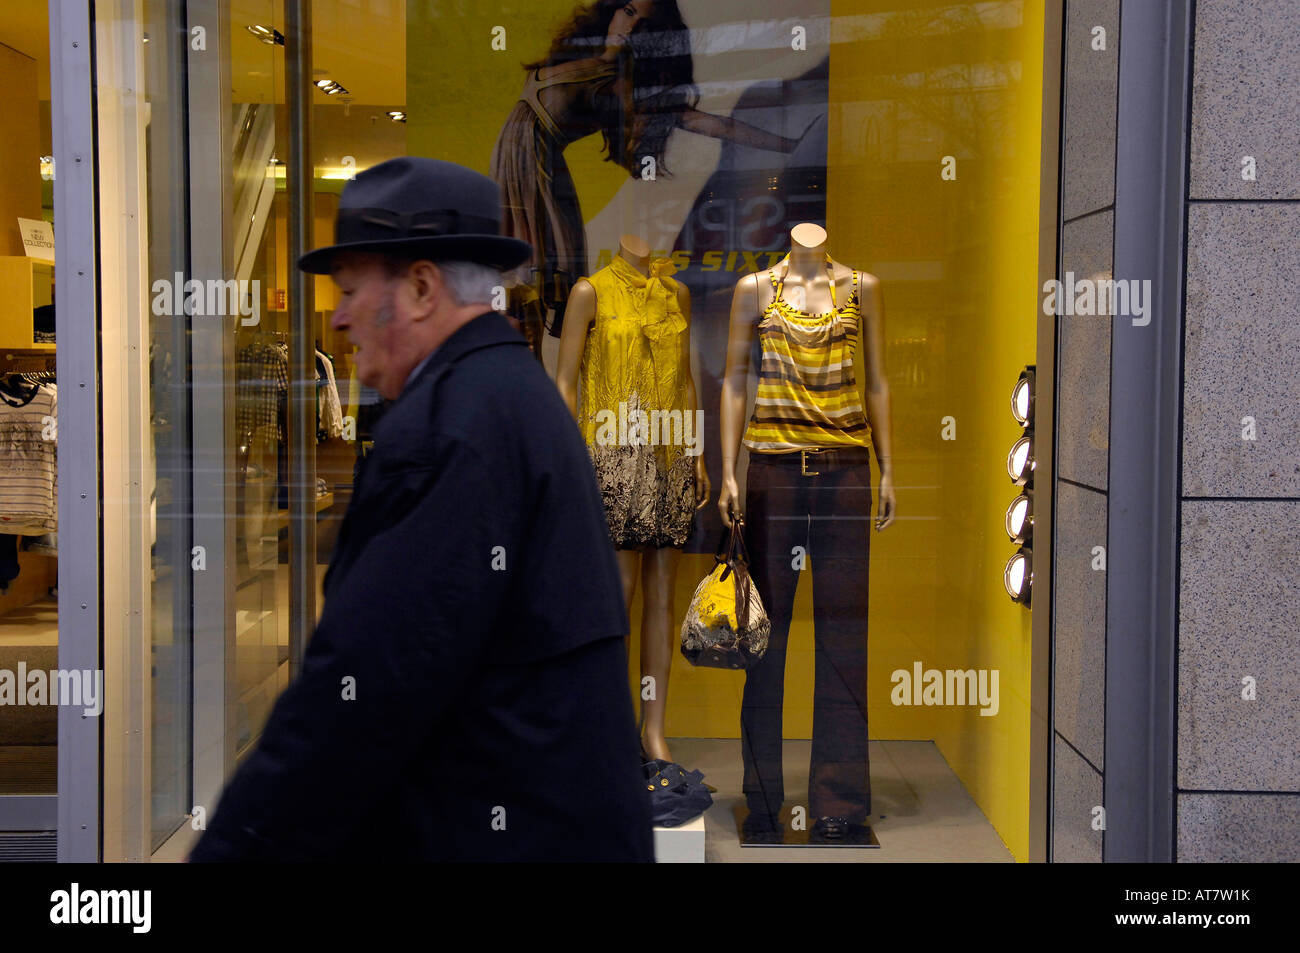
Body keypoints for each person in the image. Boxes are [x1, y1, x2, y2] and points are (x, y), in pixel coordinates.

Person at [189, 157, 654, 862]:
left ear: (420, 286)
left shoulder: (451, 428)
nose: (339, 318)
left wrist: (234, 848)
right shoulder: (507, 389)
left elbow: (359, 690)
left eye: (349, 290)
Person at [491, 0, 804, 346]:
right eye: (627, 11)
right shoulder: (578, 59)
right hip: (512, 170)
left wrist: (790, 145)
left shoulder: (622, 86)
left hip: (537, 176)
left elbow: (717, 126)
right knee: (512, 279)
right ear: (610, 12)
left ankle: (531, 379)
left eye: (644, 24)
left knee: (527, 281)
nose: (630, 25)